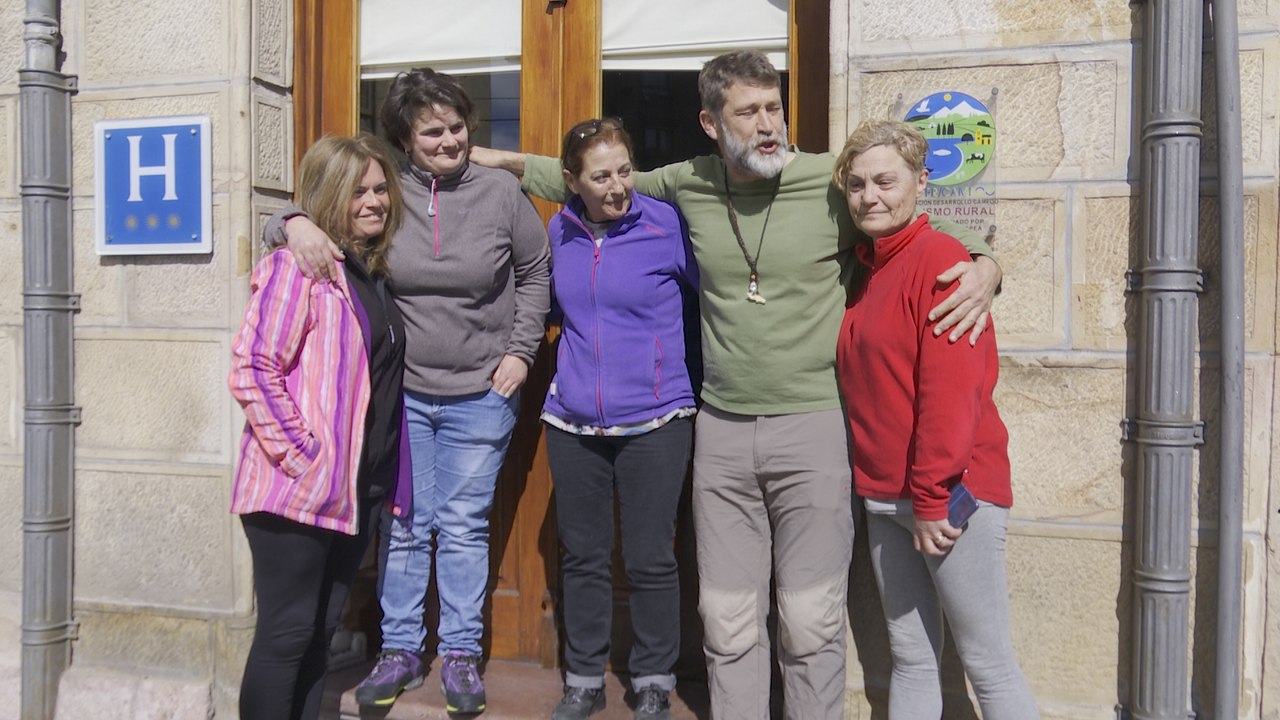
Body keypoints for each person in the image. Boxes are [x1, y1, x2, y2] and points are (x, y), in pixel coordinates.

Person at [470, 49, 1002, 719]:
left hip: (812, 428)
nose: (767, 123)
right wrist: (501, 162)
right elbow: (585, 175)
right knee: (727, 619)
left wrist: (986, 262)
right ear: (710, 123)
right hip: (720, 432)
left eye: (773, 106)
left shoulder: (827, 183)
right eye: (747, 112)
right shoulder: (688, 182)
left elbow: (905, 217)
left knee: (809, 619)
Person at [267, 68, 551, 714]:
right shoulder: (386, 191)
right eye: (432, 132)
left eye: (456, 128)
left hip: (482, 390)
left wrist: (520, 352)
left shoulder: (502, 196)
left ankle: (459, 655)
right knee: (404, 524)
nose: (449, 141)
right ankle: (398, 648)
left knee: (461, 524)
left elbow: (536, 272)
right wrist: (290, 221)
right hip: (401, 396)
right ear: (404, 138)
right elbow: (319, 216)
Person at [834, 119, 1038, 719]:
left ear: (921, 182)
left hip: (948, 499)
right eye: (857, 185)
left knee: (988, 663)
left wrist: (930, 497)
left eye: (886, 181)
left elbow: (951, 396)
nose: (870, 196)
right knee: (912, 658)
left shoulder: (943, 261)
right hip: (884, 499)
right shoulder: (865, 267)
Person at [229, 134, 410, 720]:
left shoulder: (371, 273)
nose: (374, 201)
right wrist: (303, 455)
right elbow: (253, 368)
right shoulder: (297, 266)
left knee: (318, 636)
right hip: (294, 490)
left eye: (381, 188)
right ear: (330, 195)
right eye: (358, 190)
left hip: (352, 491)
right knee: (285, 636)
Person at [541, 118, 699, 720]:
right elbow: (550, 304)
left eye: (624, 170)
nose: (617, 186)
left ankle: (653, 678)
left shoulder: (666, 226)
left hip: (657, 418)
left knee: (650, 556)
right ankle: (583, 678)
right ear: (572, 181)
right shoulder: (560, 230)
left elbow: (711, 298)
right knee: (582, 556)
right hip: (573, 422)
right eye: (600, 175)